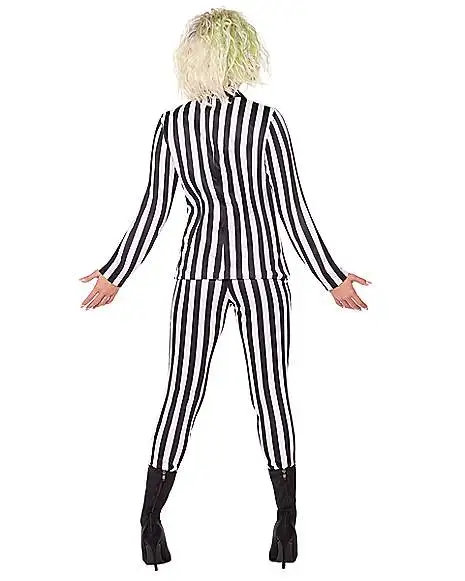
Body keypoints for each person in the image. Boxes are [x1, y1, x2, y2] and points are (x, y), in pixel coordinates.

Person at [79, 7, 371, 570]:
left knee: (181, 394)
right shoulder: (265, 122)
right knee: (271, 395)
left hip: (199, 273)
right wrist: (332, 277)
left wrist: (116, 272)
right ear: (241, 55)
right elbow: (291, 211)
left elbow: (154, 210)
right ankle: (286, 525)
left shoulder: (173, 125)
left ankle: (150, 522)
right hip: (262, 273)